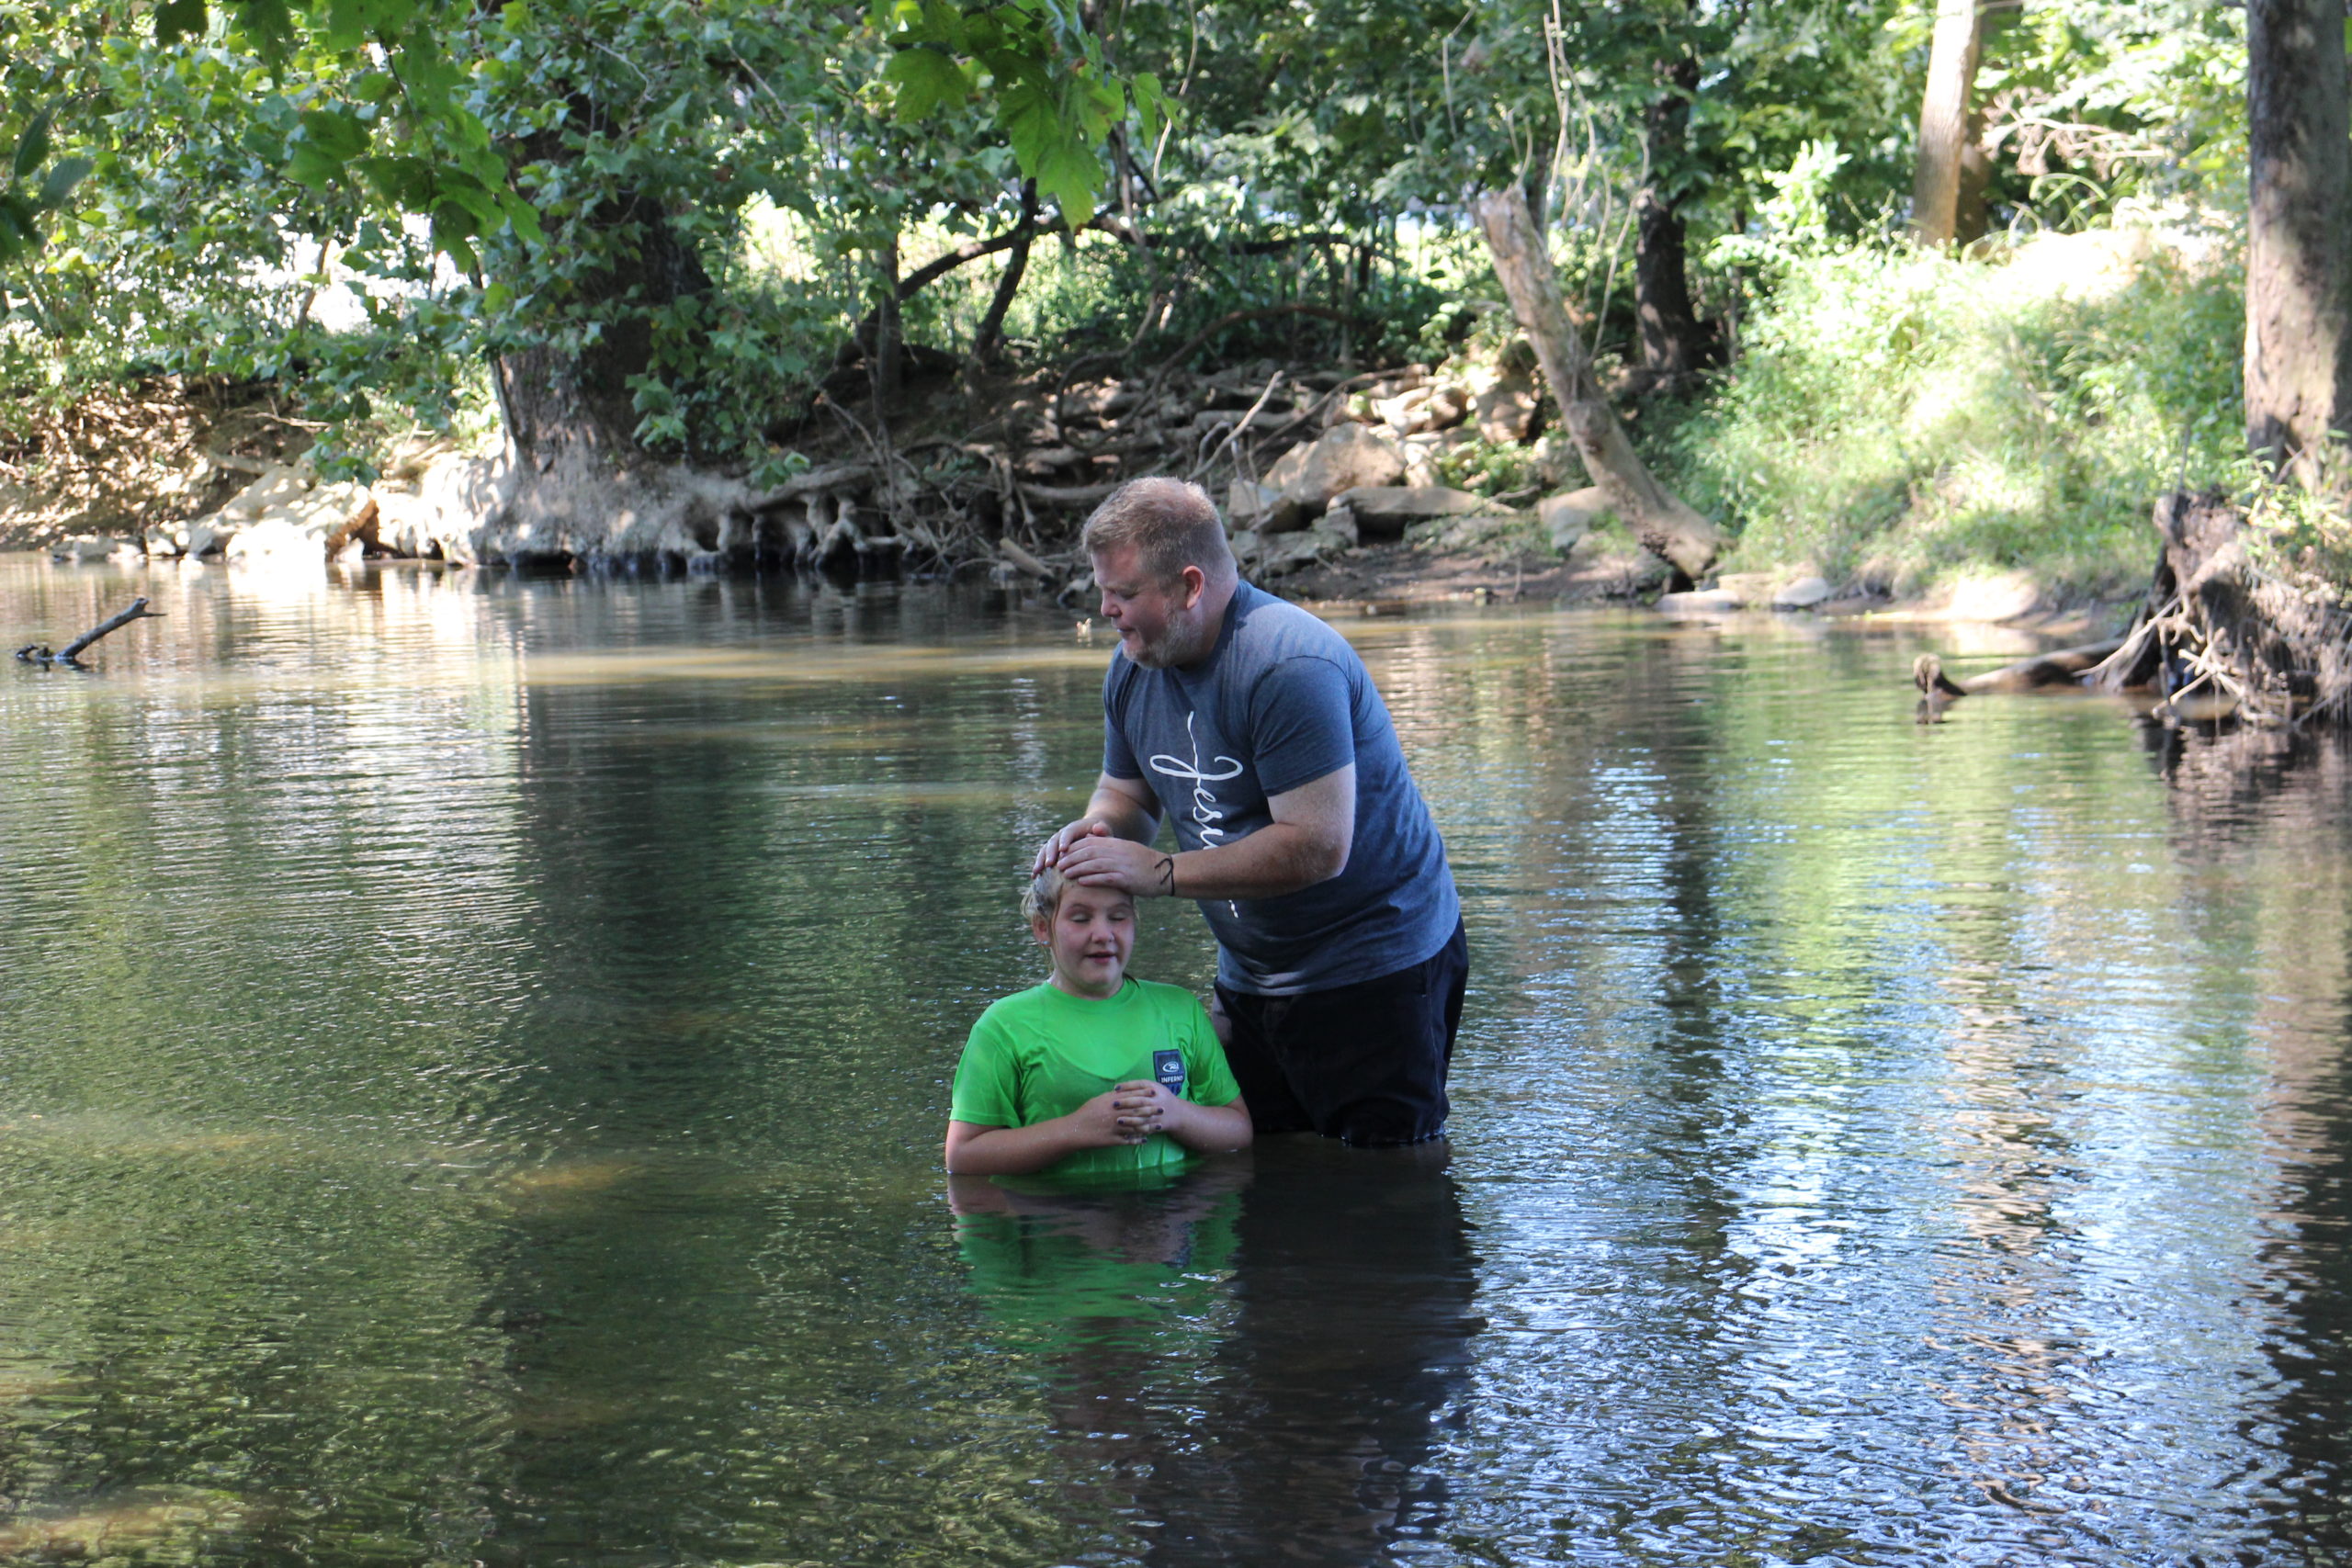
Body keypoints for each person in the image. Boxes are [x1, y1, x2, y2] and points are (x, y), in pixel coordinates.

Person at [1037, 476, 1466, 1147]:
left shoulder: (1286, 664)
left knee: (1388, 1189)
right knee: (1251, 1166)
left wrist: (1161, 871)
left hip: (1378, 967)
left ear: (1189, 586)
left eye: (1122, 594)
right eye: (1102, 592)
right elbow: (1125, 795)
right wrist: (1093, 835)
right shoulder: (1134, 667)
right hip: (1254, 977)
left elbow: (1320, 845)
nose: (1106, 610)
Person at [944, 865, 1251, 1179]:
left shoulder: (1178, 1009)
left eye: (1118, 917)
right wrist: (1075, 1130)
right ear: (1042, 928)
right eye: (1080, 919)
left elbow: (1238, 1130)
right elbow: (963, 1155)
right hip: (1056, 1216)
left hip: (1170, 1214)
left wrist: (1176, 1114)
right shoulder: (1004, 1026)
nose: (1103, 934)